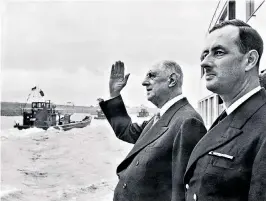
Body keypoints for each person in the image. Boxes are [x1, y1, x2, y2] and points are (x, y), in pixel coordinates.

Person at [99, 60, 206, 201]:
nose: (144, 82)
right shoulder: (162, 116)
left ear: (172, 80)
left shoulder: (188, 121)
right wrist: (114, 94)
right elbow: (127, 131)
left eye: (151, 76)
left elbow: (182, 191)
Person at [184, 19, 266, 201]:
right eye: (204, 55)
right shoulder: (227, 117)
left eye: (218, 53)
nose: (204, 63)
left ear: (250, 60)